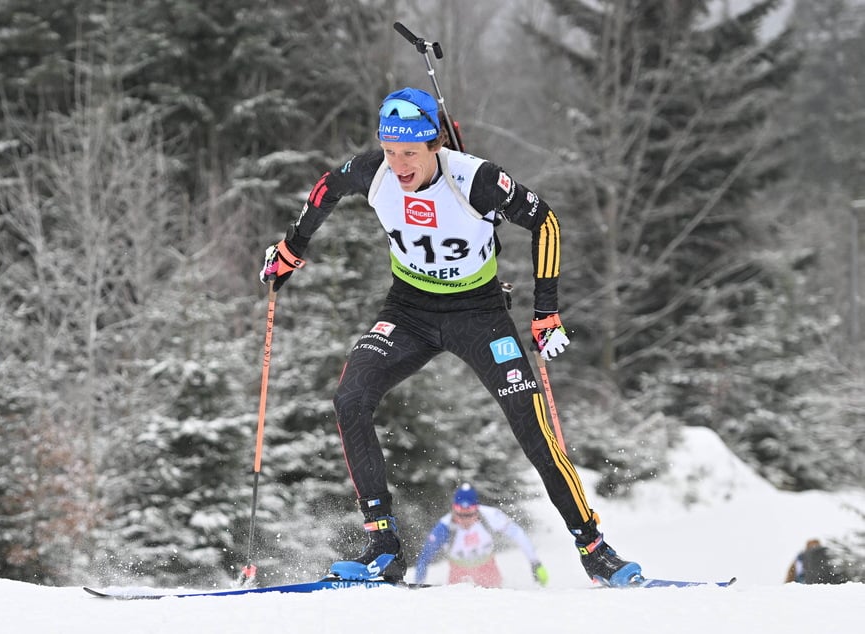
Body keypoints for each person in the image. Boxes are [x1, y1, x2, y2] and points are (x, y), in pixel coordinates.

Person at [260, 86, 643, 586]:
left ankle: (593, 549)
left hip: (478, 314)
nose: (398, 165)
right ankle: (383, 548)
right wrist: (291, 249)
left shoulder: (475, 179)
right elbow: (325, 189)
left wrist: (546, 312)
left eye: (410, 154)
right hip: (408, 311)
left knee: (531, 426)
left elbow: (544, 221)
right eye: (391, 151)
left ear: (436, 144)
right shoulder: (373, 171)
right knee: (350, 398)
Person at [414, 483, 549, 588]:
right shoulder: (445, 526)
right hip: (458, 571)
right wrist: (418, 585)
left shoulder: (490, 515)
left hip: (487, 568)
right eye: (460, 514)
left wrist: (535, 563)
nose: (465, 519)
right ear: (454, 509)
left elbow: (518, 534)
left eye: (470, 514)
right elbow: (425, 557)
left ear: (476, 509)